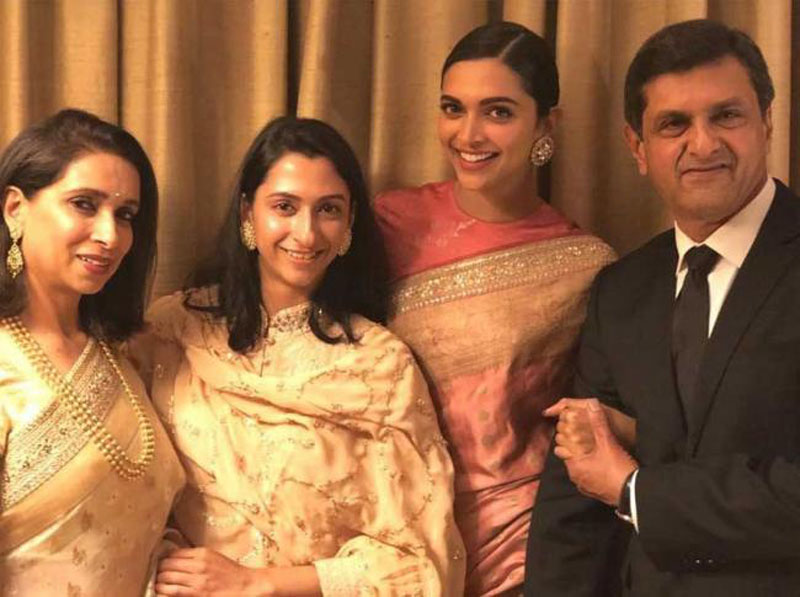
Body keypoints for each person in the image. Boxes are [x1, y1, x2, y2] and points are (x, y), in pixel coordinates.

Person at [133, 116, 465, 596]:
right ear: (248, 213)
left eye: (328, 209)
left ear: (349, 223)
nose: (306, 234)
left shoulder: (381, 366)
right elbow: (121, 489)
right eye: (284, 207)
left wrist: (259, 583)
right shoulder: (171, 331)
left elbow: (422, 565)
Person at [525, 19, 800, 596]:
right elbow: (573, 512)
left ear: (768, 122)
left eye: (726, 115)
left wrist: (635, 492)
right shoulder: (621, 291)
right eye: (674, 124)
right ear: (638, 148)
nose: (703, 144)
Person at [373, 22, 616, 596]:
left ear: (546, 125)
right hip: (390, 542)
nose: (468, 134)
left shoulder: (586, 266)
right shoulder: (388, 224)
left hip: (522, 560)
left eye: (498, 112)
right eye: (452, 109)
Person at [0, 109, 184, 595]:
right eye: (84, 204)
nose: (110, 236)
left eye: (125, 216)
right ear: (15, 208)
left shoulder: (120, 357)